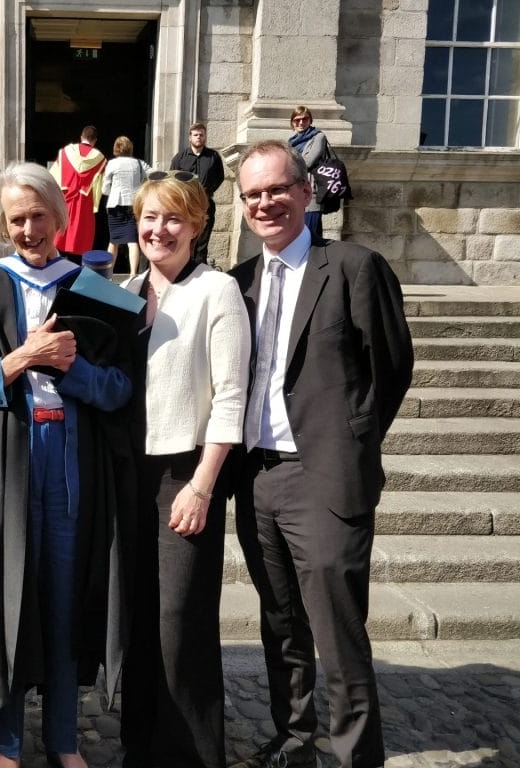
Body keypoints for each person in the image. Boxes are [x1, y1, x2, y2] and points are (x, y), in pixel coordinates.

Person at [228, 140, 413, 768]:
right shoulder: (239, 283)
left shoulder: (356, 267)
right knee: (280, 623)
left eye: (277, 189)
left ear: (307, 193)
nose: (266, 203)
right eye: (253, 194)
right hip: (256, 476)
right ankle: (295, 739)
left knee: (337, 631)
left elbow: (391, 367)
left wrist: (353, 440)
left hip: (324, 475)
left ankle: (357, 754)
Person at [0, 161, 134, 768]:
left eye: (38, 216)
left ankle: (63, 739)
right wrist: (21, 359)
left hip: (74, 461)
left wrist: (73, 372)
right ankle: (5, 742)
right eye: (16, 219)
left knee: (62, 596)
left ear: (60, 216)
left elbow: (120, 390)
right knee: (8, 597)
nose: (29, 229)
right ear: (3, 224)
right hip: (7, 462)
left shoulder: (94, 287)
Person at [118, 172, 250, 768]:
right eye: (150, 217)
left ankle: (192, 757)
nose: (159, 229)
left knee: (180, 625)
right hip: (129, 478)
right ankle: (140, 747)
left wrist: (203, 484)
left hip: (184, 475)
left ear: (197, 226)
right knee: (138, 620)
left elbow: (231, 396)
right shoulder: (125, 290)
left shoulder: (216, 291)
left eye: (174, 218)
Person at [169, 122, 225, 265]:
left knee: (202, 244)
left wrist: (207, 191)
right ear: (190, 137)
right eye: (195, 135)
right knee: (185, 239)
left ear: (205, 137)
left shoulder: (213, 157)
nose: (198, 137)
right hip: (185, 206)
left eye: (201, 135)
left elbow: (220, 177)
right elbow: (172, 179)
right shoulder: (180, 158)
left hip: (206, 205)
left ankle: (199, 273)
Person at [50, 125, 107, 259]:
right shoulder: (100, 158)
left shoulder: (65, 152)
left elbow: (52, 176)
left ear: (81, 137)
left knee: (60, 238)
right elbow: (103, 186)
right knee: (80, 242)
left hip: (65, 201)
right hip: (84, 205)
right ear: (95, 140)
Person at [102, 135, 151, 274]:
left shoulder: (112, 164)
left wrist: (109, 191)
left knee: (113, 241)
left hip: (115, 205)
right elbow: (155, 175)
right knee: (132, 241)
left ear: (116, 149)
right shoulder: (139, 163)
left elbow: (105, 188)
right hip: (133, 204)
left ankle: (108, 273)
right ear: (130, 148)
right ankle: (133, 274)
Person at [287, 106, 327, 243]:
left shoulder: (318, 137)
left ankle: (315, 263)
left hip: (311, 193)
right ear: (292, 122)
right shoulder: (291, 142)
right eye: (297, 120)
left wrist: (287, 164)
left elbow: (307, 162)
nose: (301, 123)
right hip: (295, 193)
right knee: (296, 237)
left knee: (311, 235)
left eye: (305, 119)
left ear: (310, 120)